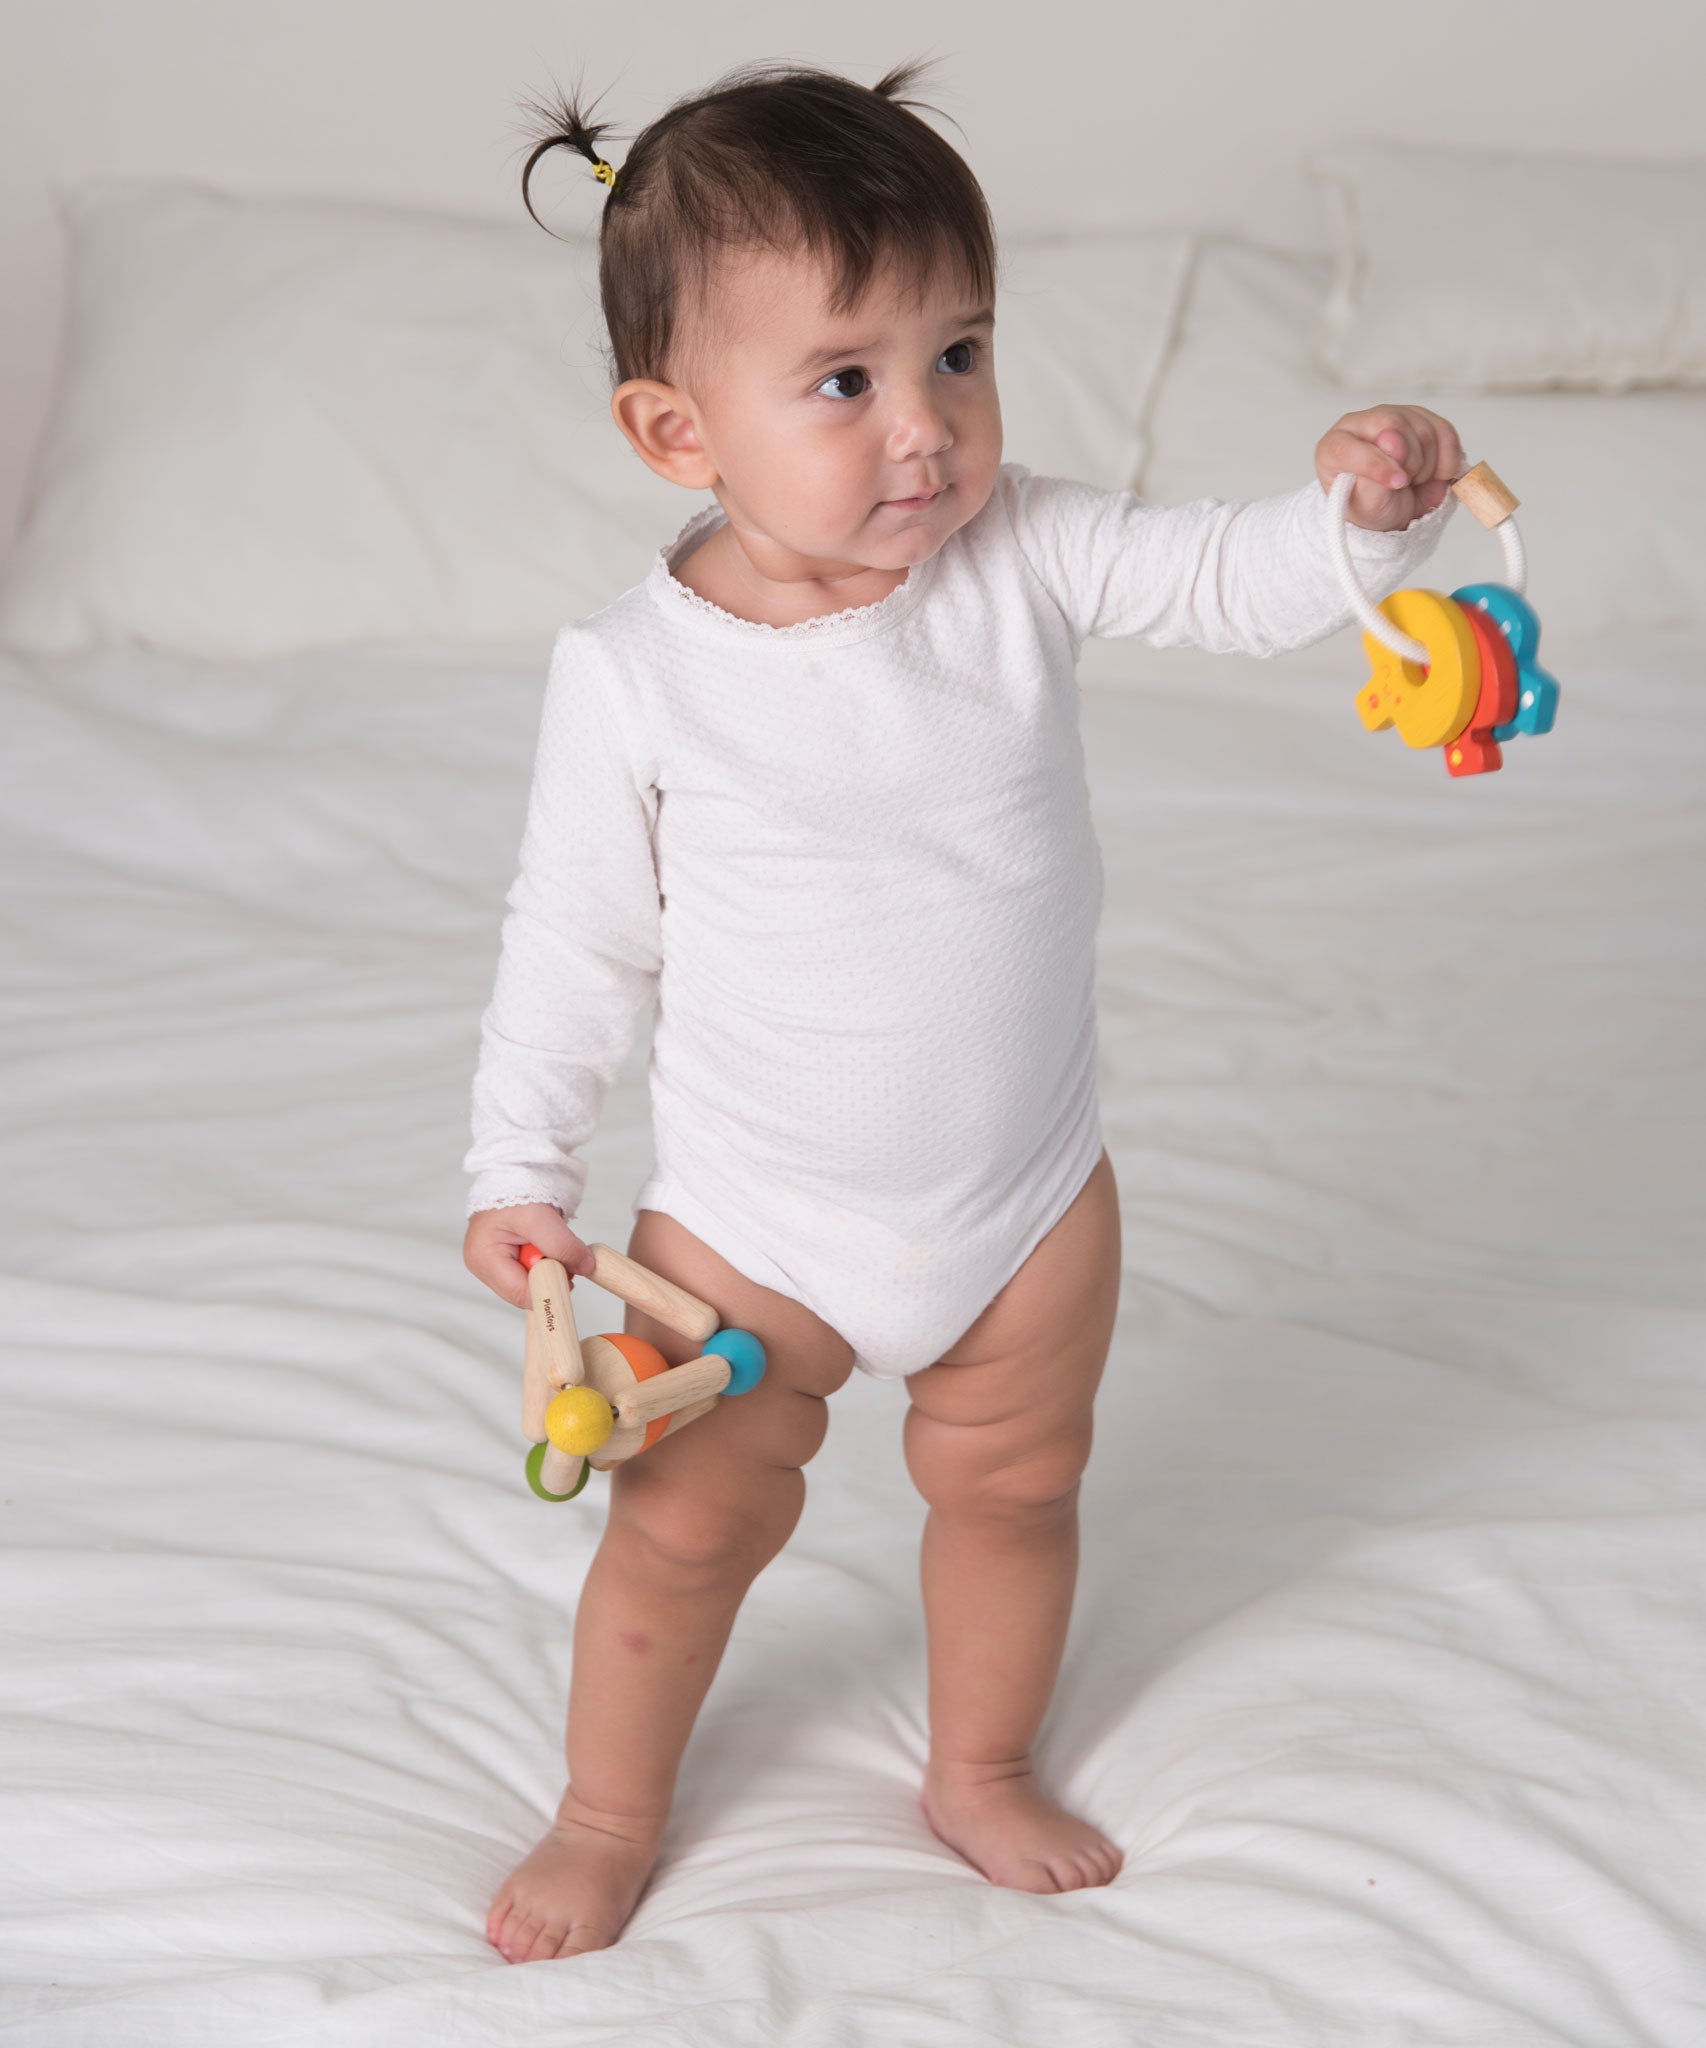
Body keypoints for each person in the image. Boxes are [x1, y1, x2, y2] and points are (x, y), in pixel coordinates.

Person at [463, 57, 1463, 1963]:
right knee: (680, 1528)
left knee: (1015, 1494)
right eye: (845, 380)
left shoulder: (1024, 555)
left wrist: (1358, 519)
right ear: (677, 429)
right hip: (756, 1231)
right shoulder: (634, 678)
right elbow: (572, 939)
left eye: (960, 354)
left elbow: (1228, 577)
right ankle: (605, 1809)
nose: (923, 430)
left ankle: (980, 1765)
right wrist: (519, 1166)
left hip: (1024, 1203)